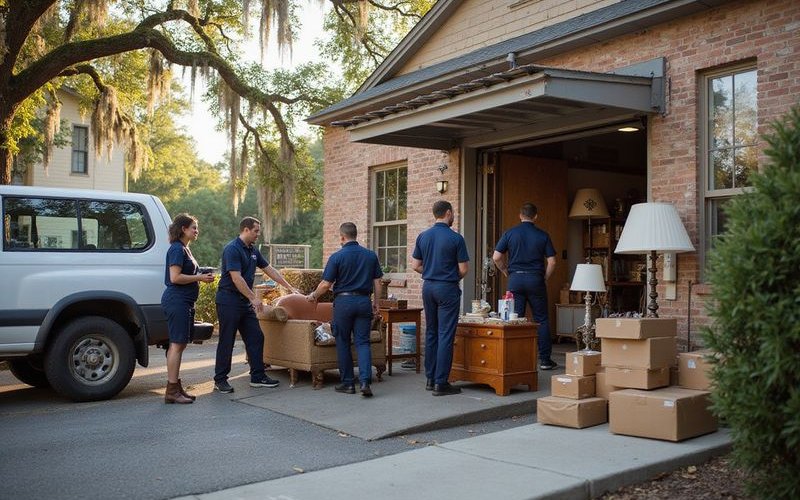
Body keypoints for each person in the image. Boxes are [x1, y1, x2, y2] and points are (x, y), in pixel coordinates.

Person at [213, 216, 300, 393]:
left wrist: (289, 287)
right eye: (256, 231)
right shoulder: (232, 249)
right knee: (227, 340)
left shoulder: (252, 250)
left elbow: (269, 269)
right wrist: (253, 297)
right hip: (228, 300)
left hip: (244, 302)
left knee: (256, 337)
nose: (258, 235)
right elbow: (236, 278)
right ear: (246, 230)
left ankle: (257, 376)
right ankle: (220, 380)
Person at [306, 222, 382, 397]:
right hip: (364, 301)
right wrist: (376, 302)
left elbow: (325, 284)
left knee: (343, 342)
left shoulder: (337, 257)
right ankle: (364, 382)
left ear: (342, 237)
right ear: (356, 235)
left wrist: (313, 296)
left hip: (344, 303)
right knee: (363, 342)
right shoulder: (370, 256)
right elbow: (377, 282)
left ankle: (348, 383)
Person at [411, 200, 470, 396]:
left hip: (428, 287)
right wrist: (450, 277)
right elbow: (463, 269)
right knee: (446, 334)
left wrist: (430, 272)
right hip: (447, 288)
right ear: (448, 213)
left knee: (432, 332)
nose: (453, 216)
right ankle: (441, 382)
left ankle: (430, 378)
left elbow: (415, 265)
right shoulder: (456, 238)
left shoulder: (423, 236)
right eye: (452, 214)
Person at [492, 202, 558, 370]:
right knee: (541, 319)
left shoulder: (510, 233)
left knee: (515, 320)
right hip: (536, 280)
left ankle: (515, 359)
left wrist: (506, 271)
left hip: (515, 280)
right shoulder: (543, 235)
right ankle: (544, 360)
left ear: (520, 216)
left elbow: (496, 257)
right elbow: (552, 261)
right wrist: (544, 277)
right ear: (536, 216)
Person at [161, 214, 215, 404]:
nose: (196, 231)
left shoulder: (184, 249)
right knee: (176, 345)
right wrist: (200, 278)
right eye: (193, 227)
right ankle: (171, 390)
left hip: (184, 302)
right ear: (183, 229)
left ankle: (176, 387)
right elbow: (175, 277)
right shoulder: (177, 249)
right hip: (177, 301)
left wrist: (200, 275)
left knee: (180, 344)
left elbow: (185, 274)